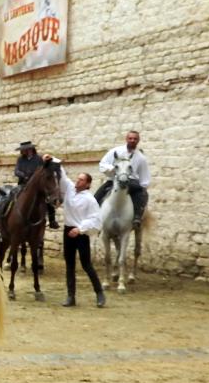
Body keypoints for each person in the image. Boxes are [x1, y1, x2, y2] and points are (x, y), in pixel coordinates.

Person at [47, 155, 107, 308]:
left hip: (80, 234)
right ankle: (70, 296)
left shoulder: (90, 199)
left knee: (86, 265)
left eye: (81, 180)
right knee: (69, 265)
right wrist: (51, 158)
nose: (77, 181)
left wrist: (80, 229)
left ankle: (99, 293)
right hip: (68, 232)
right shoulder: (69, 189)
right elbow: (62, 173)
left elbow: (96, 219)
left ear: (87, 184)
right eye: (78, 179)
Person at [94, 130, 151, 226]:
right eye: (130, 138)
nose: (132, 140)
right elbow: (103, 164)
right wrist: (112, 169)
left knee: (141, 196)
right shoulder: (115, 151)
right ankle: (95, 220)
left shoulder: (141, 158)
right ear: (126, 139)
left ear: (138, 140)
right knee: (96, 198)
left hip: (131, 182)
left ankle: (137, 217)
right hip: (113, 180)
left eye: (135, 139)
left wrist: (142, 188)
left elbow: (144, 176)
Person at [14, 141, 57, 228]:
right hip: (24, 184)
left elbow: (45, 169)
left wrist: (49, 159)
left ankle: (52, 220)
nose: (23, 152)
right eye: (23, 150)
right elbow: (16, 171)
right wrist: (24, 176)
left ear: (30, 149)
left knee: (48, 200)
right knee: (13, 196)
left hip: (37, 186)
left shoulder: (39, 158)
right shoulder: (20, 159)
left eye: (25, 150)